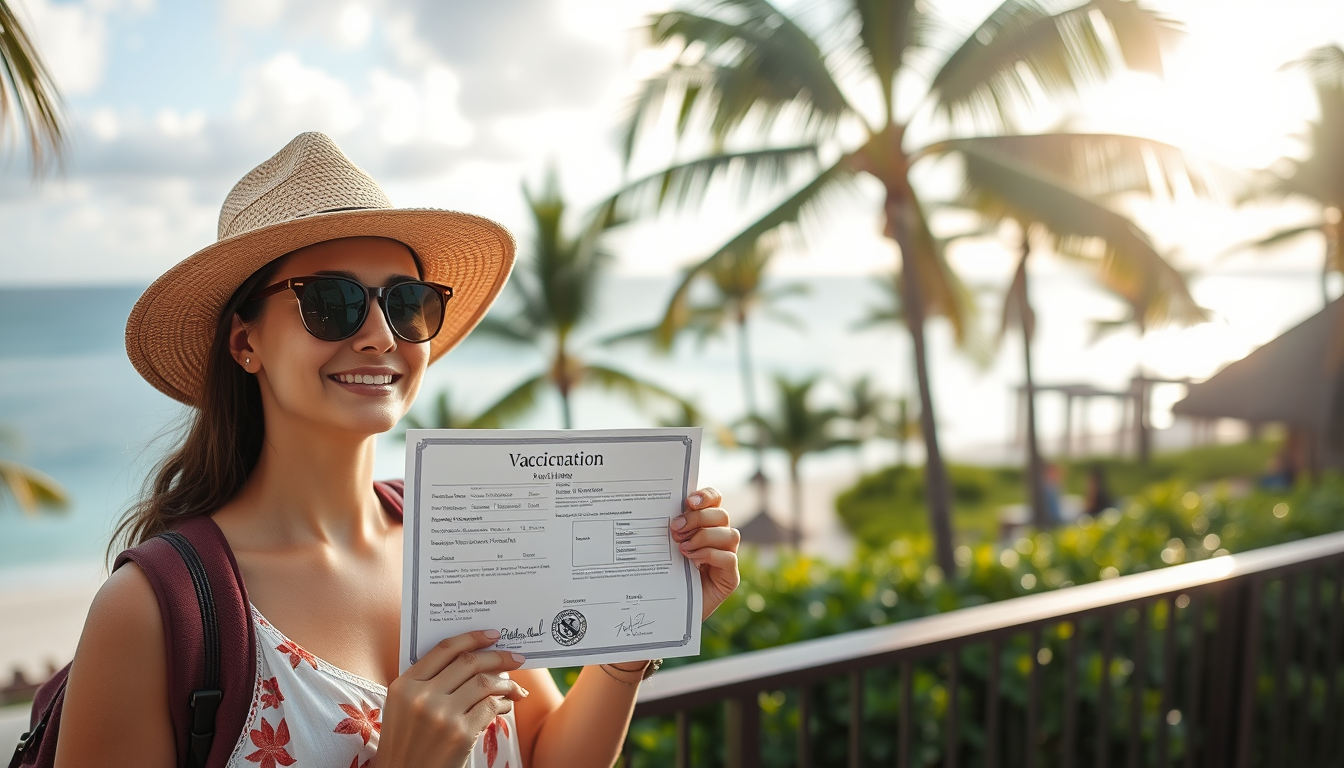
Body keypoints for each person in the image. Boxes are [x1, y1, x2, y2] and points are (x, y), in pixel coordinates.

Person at [51, 133, 741, 768]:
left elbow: (545, 755)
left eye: (408, 303)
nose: (381, 334)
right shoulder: (151, 614)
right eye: (331, 301)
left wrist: (630, 646)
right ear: (245, 342)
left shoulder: (459, 536)